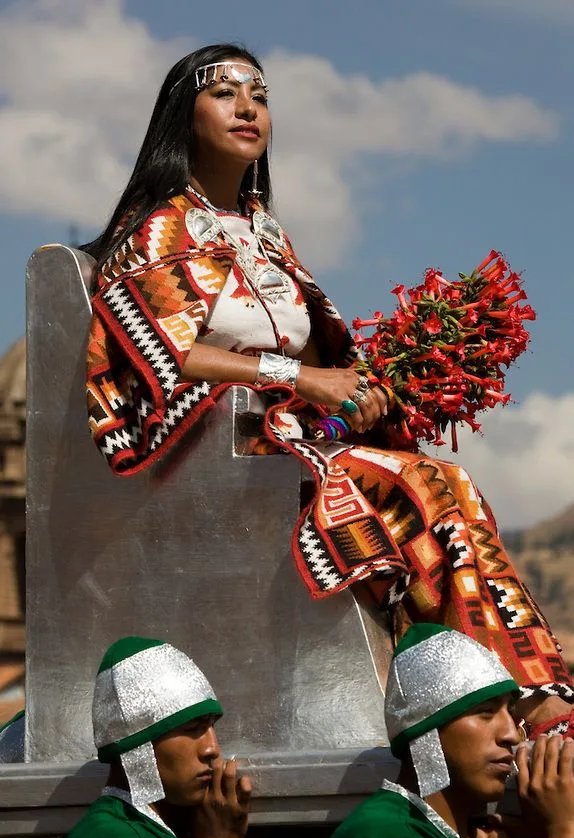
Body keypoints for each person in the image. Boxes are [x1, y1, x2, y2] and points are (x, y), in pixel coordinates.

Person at [84, 43, 573, 735]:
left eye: (259, 95)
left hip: (294, 440)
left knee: (449, 484)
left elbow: (320, 357)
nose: (247, 108)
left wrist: (363, 390)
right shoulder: (158, 230)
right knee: (420, 490)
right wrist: (301, 378)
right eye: (223, 93)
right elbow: (166, 356)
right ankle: (514, 701)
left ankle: (507, 687)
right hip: (210, 460)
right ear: (182, 117)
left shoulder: (267, 236)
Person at [324, 623, 574, 838]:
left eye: (511, 713)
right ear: (427, 727)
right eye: (485, 712)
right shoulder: (384, 834)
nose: (511, 734)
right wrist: (564, 832)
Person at [60, 636, 251, 838]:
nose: (212, 749)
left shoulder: (159, 831)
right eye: (192, 729)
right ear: (139, 746)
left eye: (211, 726)